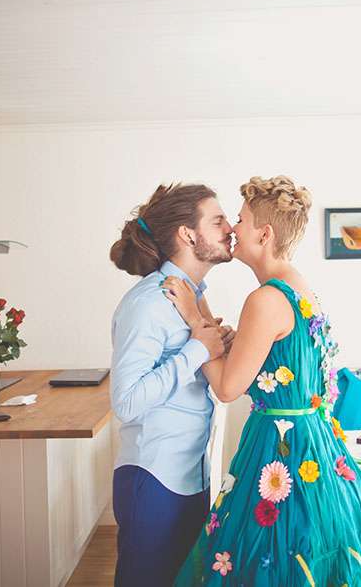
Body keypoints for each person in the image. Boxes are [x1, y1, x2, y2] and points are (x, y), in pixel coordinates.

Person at [163, 176, 361, 586]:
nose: (233, 228)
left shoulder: (266, 299)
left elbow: (227, 388)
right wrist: (206, 310)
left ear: (264, 233)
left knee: (273, 556)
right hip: (317, 441)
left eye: (241, 219)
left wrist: (194, 319)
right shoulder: (299, 286)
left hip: (281, 450)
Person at [108, 183, 237, 587]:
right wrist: (197, 351)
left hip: (192, 477)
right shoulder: (148, 303)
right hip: (154, 479)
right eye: (217, 221)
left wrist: (213, 347)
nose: (230, 228)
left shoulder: (194, 300)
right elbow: (126, 401)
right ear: (187, 235)